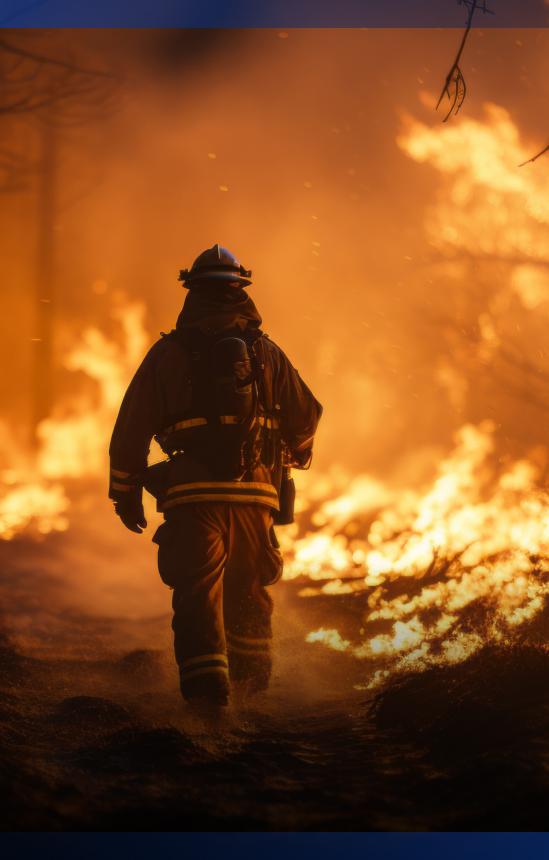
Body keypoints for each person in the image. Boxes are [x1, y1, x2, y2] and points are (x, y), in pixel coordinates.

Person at [108, 245, 322, 715]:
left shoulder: (168, 353)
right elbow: (305, 416)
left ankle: (208, 707)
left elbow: (132, 428)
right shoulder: (268, 353)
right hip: (257, 497)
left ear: (192, 293)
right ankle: (253, 695)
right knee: (248, 591)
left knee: (198, 593)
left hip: (191, 497)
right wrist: (294, 455)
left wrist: (124, 491)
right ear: (241, 292)